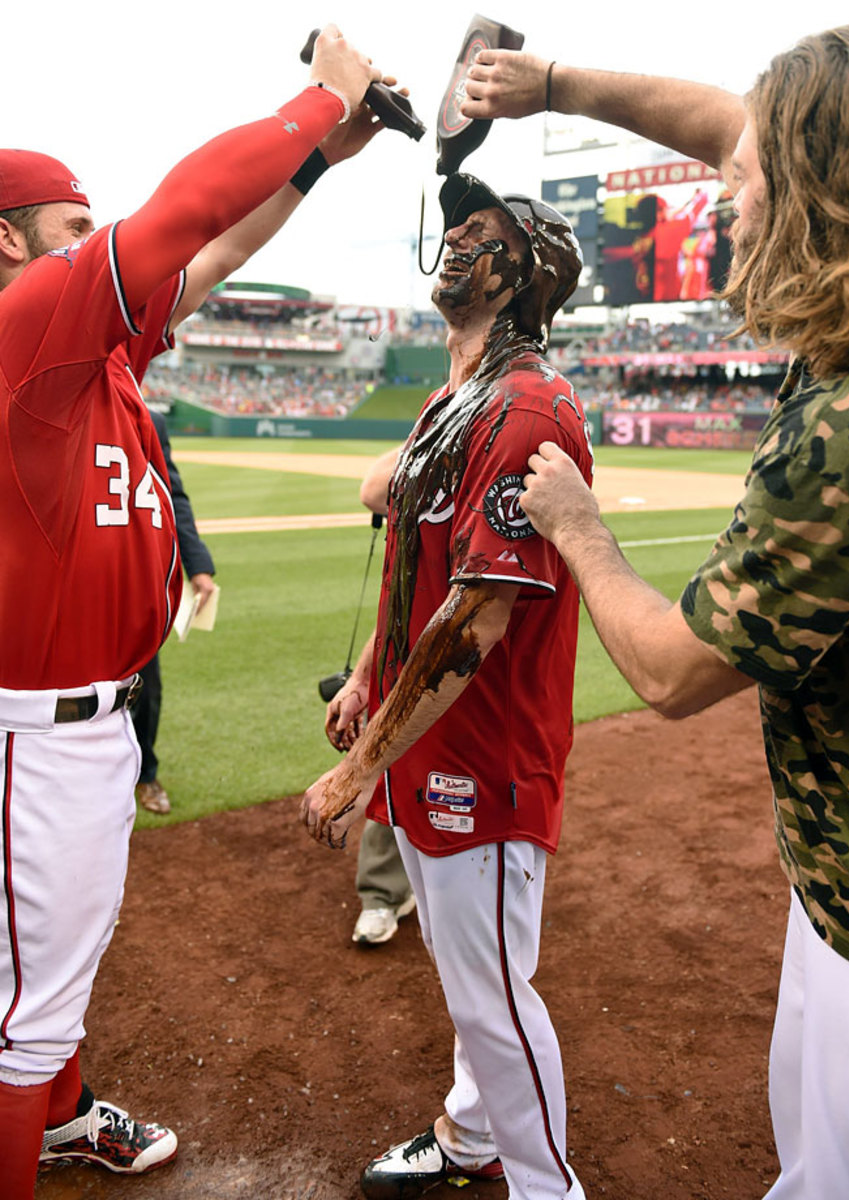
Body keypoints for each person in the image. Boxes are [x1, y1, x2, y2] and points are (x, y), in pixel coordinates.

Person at [463, 24, 849, 1200]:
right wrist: (551, 86)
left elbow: (670, 672)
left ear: (821, 188)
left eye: (747, 163)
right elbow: (720, 121)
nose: (723, 175)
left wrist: (576, 527)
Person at [0, 27, 385, 1198]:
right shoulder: (24, 332)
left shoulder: (92, 352)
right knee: (27, 1010)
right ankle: (32, 1123)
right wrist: (317, 99)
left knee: (54, 974)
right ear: (7, 244)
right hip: (36, 736)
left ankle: (59, 1118)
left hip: (89, 726)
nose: (96, 246)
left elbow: (207, 252)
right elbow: (179, 213)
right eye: (74, 231)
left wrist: (318, 165)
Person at [303, 174, 591, 1199]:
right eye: (455, 230)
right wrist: (372, 683)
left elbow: (475, 619)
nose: (455, 243)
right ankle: (472, 1136)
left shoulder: (524, 408)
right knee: (473, 995)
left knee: (494, 1000)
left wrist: (353, 771)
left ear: (526, 277)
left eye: (482, 237)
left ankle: (547, 1187)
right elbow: (412, 569)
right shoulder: (449, 400)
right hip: (428, 744)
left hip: (487, 758)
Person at [345, 446, 416, 945]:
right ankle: (383, 892)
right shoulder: (443, 421)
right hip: (414, 622)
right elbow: (374, 491)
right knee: (393, 747)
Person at [134, 408, 216, 816]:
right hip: (72, 581)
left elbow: (172, 496)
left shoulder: (151, 420)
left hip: (135, 580)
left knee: (146, 690)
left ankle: (145, 773)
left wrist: (197, 565)